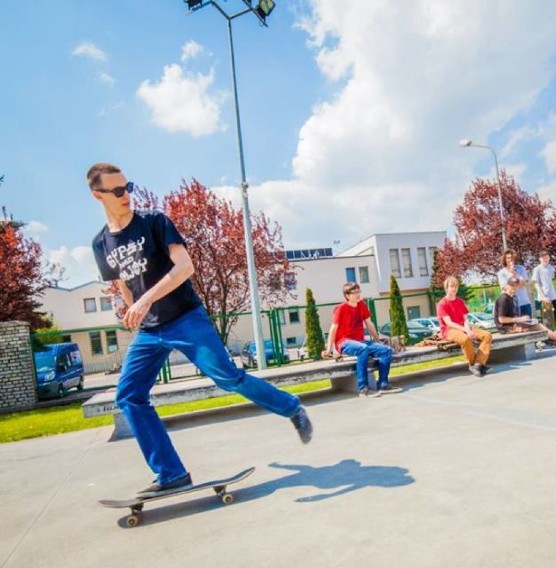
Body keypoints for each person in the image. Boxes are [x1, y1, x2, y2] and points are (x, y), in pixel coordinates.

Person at [87, 162, 313, 496]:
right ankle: (171, 473)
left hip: (185, 318)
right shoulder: (100, 244)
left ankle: (292, 407)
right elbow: (121, 283)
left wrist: (144, 300)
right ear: (98, 195)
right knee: (129, 396)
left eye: (129, 187)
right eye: (118, 191)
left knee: (227, 377)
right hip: (149, 331)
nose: (127, 195)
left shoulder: (154, 222)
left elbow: (185, 267)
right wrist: (129, 308)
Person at [322, 282, 402, 397]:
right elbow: (333, 329)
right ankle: (363, 389)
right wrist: (329, 349)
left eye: (359, 291)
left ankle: (383, 384)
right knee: (362, 349)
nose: (358, 294)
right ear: (347, 295)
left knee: (386, 350)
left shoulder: (362, 305)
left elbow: (369, 324)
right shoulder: (340, 309)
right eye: (354, 292)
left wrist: (377, 339)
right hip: (344, 342)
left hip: (360, 342)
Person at [437, 276, 493, 377]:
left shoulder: (460, 301)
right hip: (449, 330)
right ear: (446, 288)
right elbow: (449, 323)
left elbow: (465, 319)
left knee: (487, 335)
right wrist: (466, 331)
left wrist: (467, 329)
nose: (454, 288)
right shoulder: (441, 304)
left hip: (463, 327)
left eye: (456, 286)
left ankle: (478, 364)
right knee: (465, 339)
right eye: (451, 286)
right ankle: (472, 364)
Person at [493, 277, 556, 348]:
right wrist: (519, 319)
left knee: (538, 326)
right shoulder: (503, 299)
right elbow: (501, 319)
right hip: (506, 328)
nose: (514, 287)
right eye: (512, 285)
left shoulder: (512, 297)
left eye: (516, 286)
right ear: (507, 286)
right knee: (538, 327)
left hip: (512, 325)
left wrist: (523, 320)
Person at [497, 250, 532, 317]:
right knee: (516, 327)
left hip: (524, 303)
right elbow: (506, 289)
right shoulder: (502, 273)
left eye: (512, 257)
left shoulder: (521, 269)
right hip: (511, 305)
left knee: (528, 325)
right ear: (505, 259)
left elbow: (523, 283)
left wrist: (514, 274)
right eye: (508, 258)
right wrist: (513, 279)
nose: (510, 260)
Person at [531, 250, 556, 320]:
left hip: (552, 297)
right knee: (546, 320)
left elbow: (550, 281)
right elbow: (536, 284)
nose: (545, 259)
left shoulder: (551, 268)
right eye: (543, 258)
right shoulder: (537, 269)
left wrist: (554, 295)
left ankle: (554, 331)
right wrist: (544, 297)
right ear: (540, 259)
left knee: (553, 318)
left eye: (547, 257)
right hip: (543, 299)